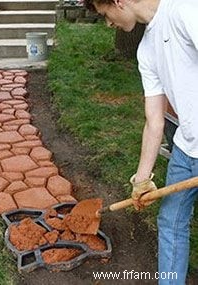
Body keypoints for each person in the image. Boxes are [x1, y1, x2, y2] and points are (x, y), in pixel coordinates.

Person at [84, 0, 198, 284]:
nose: (108, 23)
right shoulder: (147, 49)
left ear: (118, 1)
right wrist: (142, 179)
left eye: (105, 13)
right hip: (186, 149)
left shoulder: (185, 10)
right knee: (170, 223)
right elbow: (154, 120)